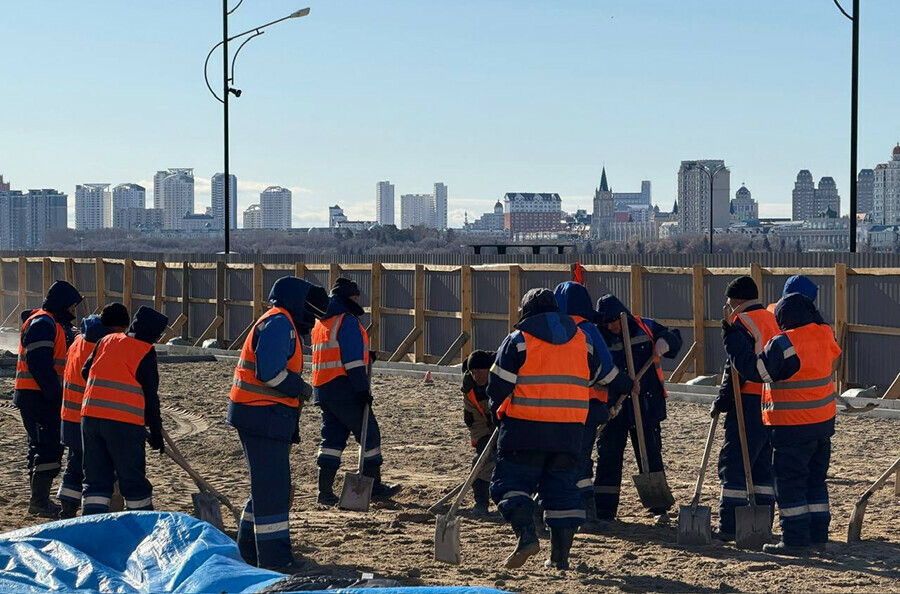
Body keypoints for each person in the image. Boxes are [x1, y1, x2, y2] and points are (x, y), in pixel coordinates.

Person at [488, 288, 603, 570]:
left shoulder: (518, 340)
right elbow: (595, 375)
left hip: (524, 430)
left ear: (526, 312)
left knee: (511, 484)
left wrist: (495, 412)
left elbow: (497, 385)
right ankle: (559, 559)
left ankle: (527, 536)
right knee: (562, 492)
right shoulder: (583, 340)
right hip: (569, 432)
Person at [724, 292, 841, 555]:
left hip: (792, 425)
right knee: (815, 482)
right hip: (822, 425)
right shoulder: (825, 334)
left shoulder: (784, 343)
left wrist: (735, 345)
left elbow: (757, 372)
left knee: (790, 484)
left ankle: (795, 541)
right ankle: (818, 537)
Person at [229, 276, 328, 572]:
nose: (311, 318)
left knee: (265, 486)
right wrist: (299, 387)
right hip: (262, 416)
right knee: (273, 490)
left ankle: (248, 549)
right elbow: (269, 372)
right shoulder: (279, 323)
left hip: (262, 416)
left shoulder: (280, 321)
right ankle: (275, 558)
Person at [593, 294, 682, 525]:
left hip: (646, 405)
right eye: (606, 323)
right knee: (608, 457)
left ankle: (659, 507)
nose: (610, 326)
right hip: (614, 407)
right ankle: (604, 510)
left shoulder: (646, 326)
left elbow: (674, 337)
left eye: (613, 321)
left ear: (622, 316)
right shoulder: (598, 336)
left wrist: (666, 342)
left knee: (650, 454)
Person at [313, 278, 401, 506]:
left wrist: (366, 356)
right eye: (354, 297)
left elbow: (333, 353)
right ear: (347, 298)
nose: (357, 301)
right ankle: (374, 487)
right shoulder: (347, 320)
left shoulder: (321, 322)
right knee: (369, 435)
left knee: (331, 440)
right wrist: (362, 390)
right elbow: (351, 361)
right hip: (346, 389)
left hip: (324, 389)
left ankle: (324, 491)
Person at [553, 281, 634, 527]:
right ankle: (585, 512)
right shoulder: (587, 330)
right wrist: (625, 384)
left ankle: (550, 507)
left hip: (549, 408)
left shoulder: (547, 328)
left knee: (555, 457)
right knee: (581, 459)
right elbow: (605, 370)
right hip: (584, 407)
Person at [80, 305, 168, 516]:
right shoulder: (144, 351)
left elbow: (85, 372)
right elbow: (150, 396)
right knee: (132, 479)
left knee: (95, 480)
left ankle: (91, 524)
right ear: (153, 334)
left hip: (90, 417)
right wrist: (155, 431)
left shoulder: (106, 340)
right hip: (124, 424)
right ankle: (142, 526)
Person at [712, 277, 780, 541]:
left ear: (738, 301)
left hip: (749, 401)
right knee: (763, 466)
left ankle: (730, 525)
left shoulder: (741, 323)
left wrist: (724, 400)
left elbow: (736, 368)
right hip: (773, 401)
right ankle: (763, 524)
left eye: (730, 302)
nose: (728, 307)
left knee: (735, 464)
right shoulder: (773, 319)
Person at [14, 280, 83, 518]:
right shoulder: (43, 323)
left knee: (45, 446)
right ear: (63, 304)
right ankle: (39, 501)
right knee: (46, 447)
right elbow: (39, 364)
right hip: (38, 397)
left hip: (41, 395)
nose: (73, 312)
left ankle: (40, 500)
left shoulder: (52, 323)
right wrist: (54, 395)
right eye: (72, 307)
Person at [57, 304, 129, 518]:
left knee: (75, 464)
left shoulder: (78, 341)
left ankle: (67, 509)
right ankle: (95, 514)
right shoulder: (104, 346)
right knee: (98, 470)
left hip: (69, 416)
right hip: (93, 416)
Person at [461, 349, 497, 516]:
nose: (477, 376)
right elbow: (474, 420)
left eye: (480, 372)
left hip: (511, 429)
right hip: (486, 430)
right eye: (473, 372)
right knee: (481, 461)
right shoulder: (469, 389)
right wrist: (483, 440)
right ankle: (481, 503)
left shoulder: (502, 382)